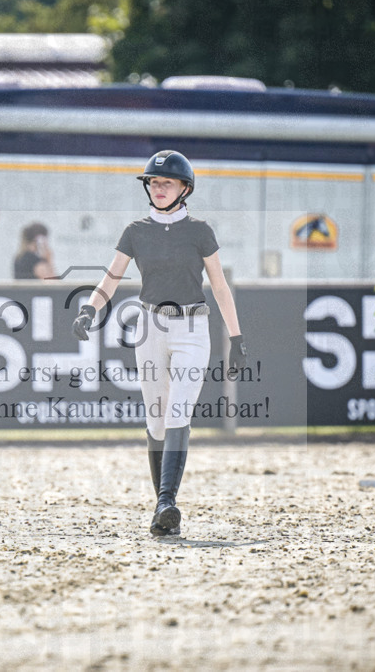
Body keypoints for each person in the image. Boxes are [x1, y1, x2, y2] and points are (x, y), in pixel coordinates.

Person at [71, 150, 247, 537]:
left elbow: (219, 285)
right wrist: (89, 308)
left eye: (166, 182)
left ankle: (167, 500)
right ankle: (161, 508)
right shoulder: (135, 231)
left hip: (192, 329)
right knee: (155, 418)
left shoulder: (200, 231)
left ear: (185, 188)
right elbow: (112, 278)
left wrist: (235, 336)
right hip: (150, 327)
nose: (159, 188)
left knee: (179, 411)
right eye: (153, 182)